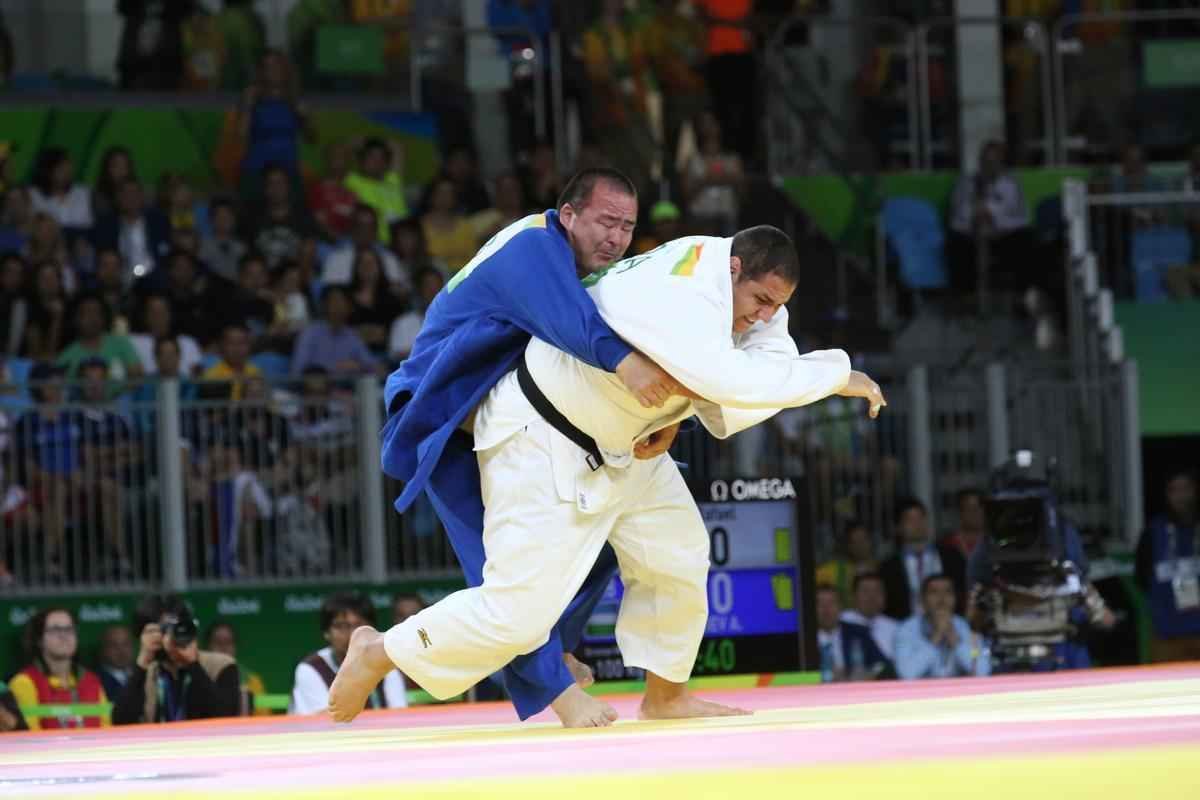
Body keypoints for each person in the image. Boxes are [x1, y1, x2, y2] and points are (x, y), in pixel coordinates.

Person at [332, 221, 887, 727]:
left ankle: (666, 696)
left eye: (777, 305)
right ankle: (381, 650)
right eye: (761, 300)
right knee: (517, 615)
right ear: (735, 269)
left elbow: (756, 365)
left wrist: (682, 410)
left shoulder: (733, 285)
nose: (764, 315)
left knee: (678, 556)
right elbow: (731, 379)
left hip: (628, 442)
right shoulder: (685, 287)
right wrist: (838, 374)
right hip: (546, 435)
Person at [362, 168, 672, 727]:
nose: (617, 238)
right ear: (569, 215)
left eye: (627, 226)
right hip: (442, 417)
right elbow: (576, 328)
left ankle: (561, 649)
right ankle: (558, 694)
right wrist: (628, 366)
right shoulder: (531, 245)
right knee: (500, 578)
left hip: (507, 422)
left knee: (601, 537)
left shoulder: (589, 272)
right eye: (606, 221)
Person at [113, 594, 241, 724]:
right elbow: (120, 722)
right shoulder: (145, 673)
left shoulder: (222, 665)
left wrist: (193, 664)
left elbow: (227, 716)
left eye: (176, 627)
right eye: (163, 630)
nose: (170, 635)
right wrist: (142, 663)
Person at [291, 591, 406, 715]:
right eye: (341, 626)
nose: (352, 634)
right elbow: (324, 721)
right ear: (326, 632)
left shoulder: (385, 663)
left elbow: (399, 713)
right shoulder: (310, 668)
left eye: (359, 625)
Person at [1135, 469, 1200, 663]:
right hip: (1167, 634)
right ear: (1166, 495)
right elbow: (1142, 577)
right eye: (1174, 490)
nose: (1181, 496)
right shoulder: (1153, 531)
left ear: (1195, 490)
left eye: (1185, 489)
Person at [9, 607, 110, 729]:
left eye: (69, 629)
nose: (64, 635)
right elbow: (29, 739)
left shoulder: (92, 681)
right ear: (39, 639)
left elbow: (107, 729)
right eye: (55, 629)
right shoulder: (24, 682)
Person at [880, 497, 967, 621]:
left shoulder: (952, 557)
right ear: (898, 527)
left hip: (949, 625)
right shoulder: (888, 568)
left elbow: (963, 593)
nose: (917, 524)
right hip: (906, 629)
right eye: (910, 519)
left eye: (921, 518)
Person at [894, 574, 991, 680]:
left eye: (948, 592)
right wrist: (936, 636)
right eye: (934, 592)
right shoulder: (906, 630)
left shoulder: (966, 628)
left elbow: (982, 670)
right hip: (921, 693)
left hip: (958, 692)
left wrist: (954, 638)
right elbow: (906, 674)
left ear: (955, 599)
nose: (942, 598)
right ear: (922, 600)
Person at [290, 285, 377, 376]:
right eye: (334, 301)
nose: (339, 306)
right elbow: (297, 371)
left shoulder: (352, 336)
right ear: (324, 305)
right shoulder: (310, 333)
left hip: (345, 389)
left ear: (349, 307)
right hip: (315, 387)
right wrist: (334, 370)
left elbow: (374, 367)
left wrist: (359, 367)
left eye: (343, 302)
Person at [815, 584, 890, 682]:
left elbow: (881, 664)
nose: (826, 609)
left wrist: (869, 674)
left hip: (855, 690)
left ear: (841, 607)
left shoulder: (858, 632)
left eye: (832, 603)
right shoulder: (803, 641)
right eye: (820, 604)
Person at [206, 621, 270, 716]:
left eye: (228, 642)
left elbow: (264, 720)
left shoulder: (251, 680)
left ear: (235, 646)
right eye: (218, 642)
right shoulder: (197, 678)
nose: (223, 648)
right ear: (208, 645)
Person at [816, 519, 879, 608]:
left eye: (863, 540)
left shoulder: (880, 568)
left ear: (870, 541)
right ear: (848, 545)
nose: (860, 545)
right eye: (855, 541)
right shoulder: (833, 570)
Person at [840, 572, 900, 662]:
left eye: (877, 591)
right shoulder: (841, 621)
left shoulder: (896, 628)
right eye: (865, 591)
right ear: (853, 596)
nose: (872, 597)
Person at [388, 267, 444, 362]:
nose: (433, 290)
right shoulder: (402, 323)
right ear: (419, 291)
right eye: (427, 286)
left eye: (437, 286)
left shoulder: (456, 321)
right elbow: (396, 356)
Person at [94, 624, 136, 705]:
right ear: (104, 649)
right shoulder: (94, 680)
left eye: (126, 644)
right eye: (114, 645)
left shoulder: (145, 674)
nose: (121, 651)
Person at [942, 487, 986, 557]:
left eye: (979, 508)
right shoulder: (947, 545)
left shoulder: (994, 544)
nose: (975, 513)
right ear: (960, 512)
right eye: (969, 509)